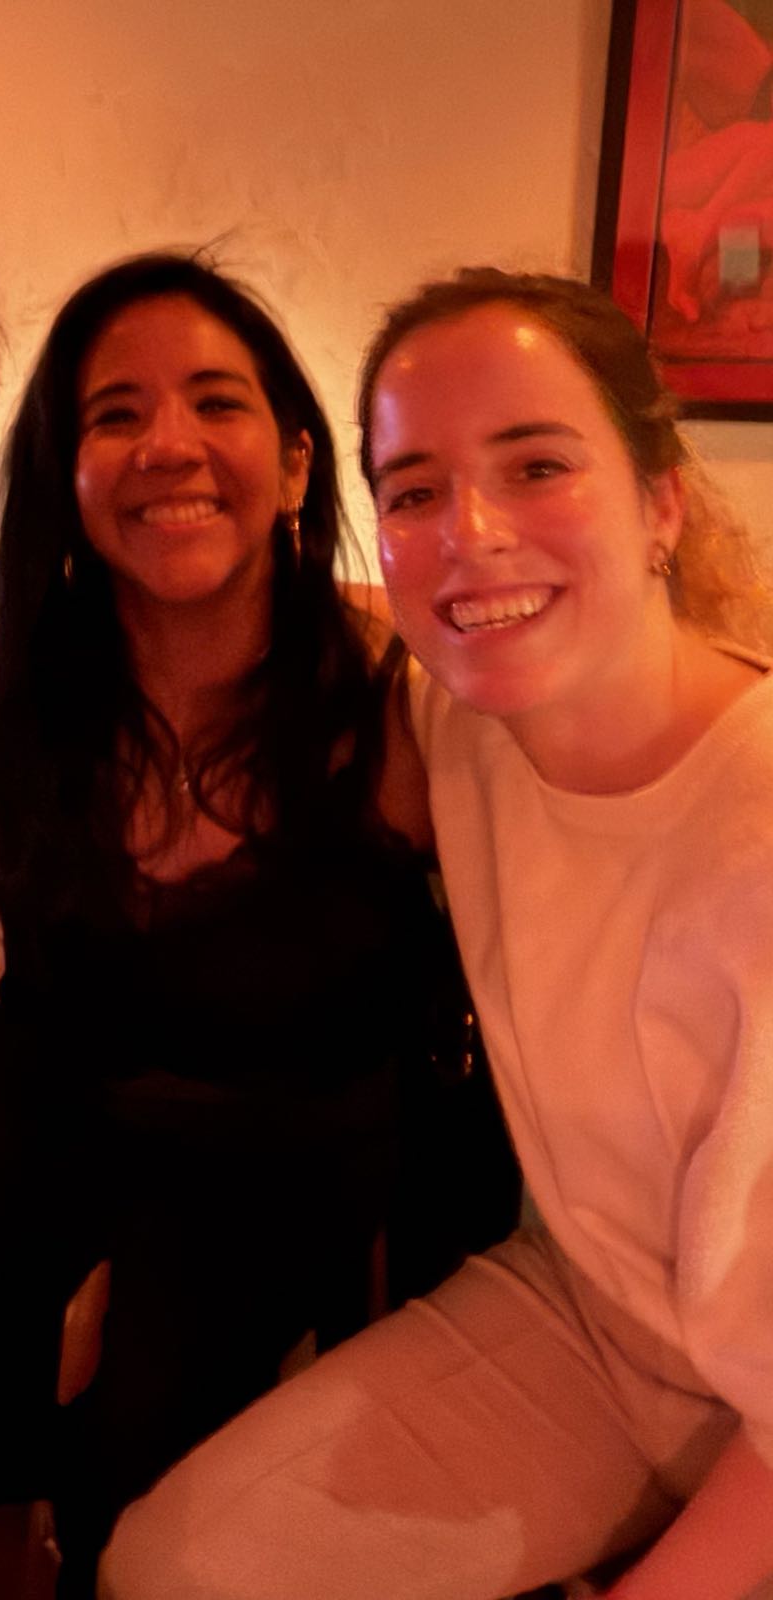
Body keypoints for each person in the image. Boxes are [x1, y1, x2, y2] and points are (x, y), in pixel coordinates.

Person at [98, 267, 773, 1600]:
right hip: (588, 1321)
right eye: (413, 489)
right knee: (168, 1569)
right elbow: (253, 645)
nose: (469, 533)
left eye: (535, 466)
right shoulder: (455, 720)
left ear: (660, 503)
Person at [0, 253, 519, 1595]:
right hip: (37, 1141)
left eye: (216, 402)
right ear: (66, 474)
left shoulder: (405, 701)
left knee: (154, 1505)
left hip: (294, 1173)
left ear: (300, 465)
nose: (167, 445)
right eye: (114, 413)